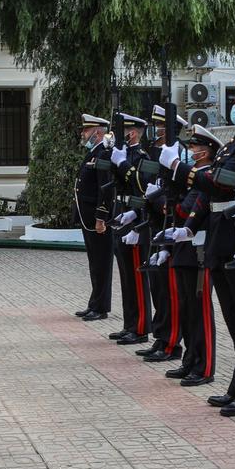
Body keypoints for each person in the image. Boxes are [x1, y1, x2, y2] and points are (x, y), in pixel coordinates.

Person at [162, 82, 235, 416]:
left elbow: (223, 183)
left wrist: (180, 169)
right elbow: (211, 190)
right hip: (221, 237)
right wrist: (189, 225)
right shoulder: (233, 145)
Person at [157, 125, 220, 385]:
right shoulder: (194, 179)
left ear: (206, 152)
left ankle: (203, 366)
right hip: (184, 250)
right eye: (191, 146)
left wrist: (169, 194)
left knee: (199, 310)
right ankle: (191, 360)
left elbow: (184, 210)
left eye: (195, 147)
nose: (191, 151)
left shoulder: (206, 179)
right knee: (186, 309)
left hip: (199, 252)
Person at [137, 104, 188, 363]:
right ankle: (160, 336)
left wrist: (155, 200)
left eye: (161, 126)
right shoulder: (158, 153)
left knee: (170, 290)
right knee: (158, 287)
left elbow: (176, 196)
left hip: (170, 227)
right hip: (156, 226)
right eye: (155, 125)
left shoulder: (179, 154)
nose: (156, 130)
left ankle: (171, 342)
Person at [107, 113, 153, 346]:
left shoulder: (142, 156)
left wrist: (123, 163)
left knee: (136, 277)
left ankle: (142, 326)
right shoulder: (124, 153)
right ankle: (129, 324)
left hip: (135, 219)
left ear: (132, 133)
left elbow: (142, 186)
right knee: (126, 276)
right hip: (121, 213)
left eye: (122, 131)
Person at [73, 114, 114, 321]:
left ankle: (101, 306)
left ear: (98, 132)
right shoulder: (93, 152)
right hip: (87, 217)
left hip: (97, 219)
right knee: (94, 262)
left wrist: (101, 217)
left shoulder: (104, 154)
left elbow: (104, 189)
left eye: (86, 130)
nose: (83, 133)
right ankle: (94, 303)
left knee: (101, 263)